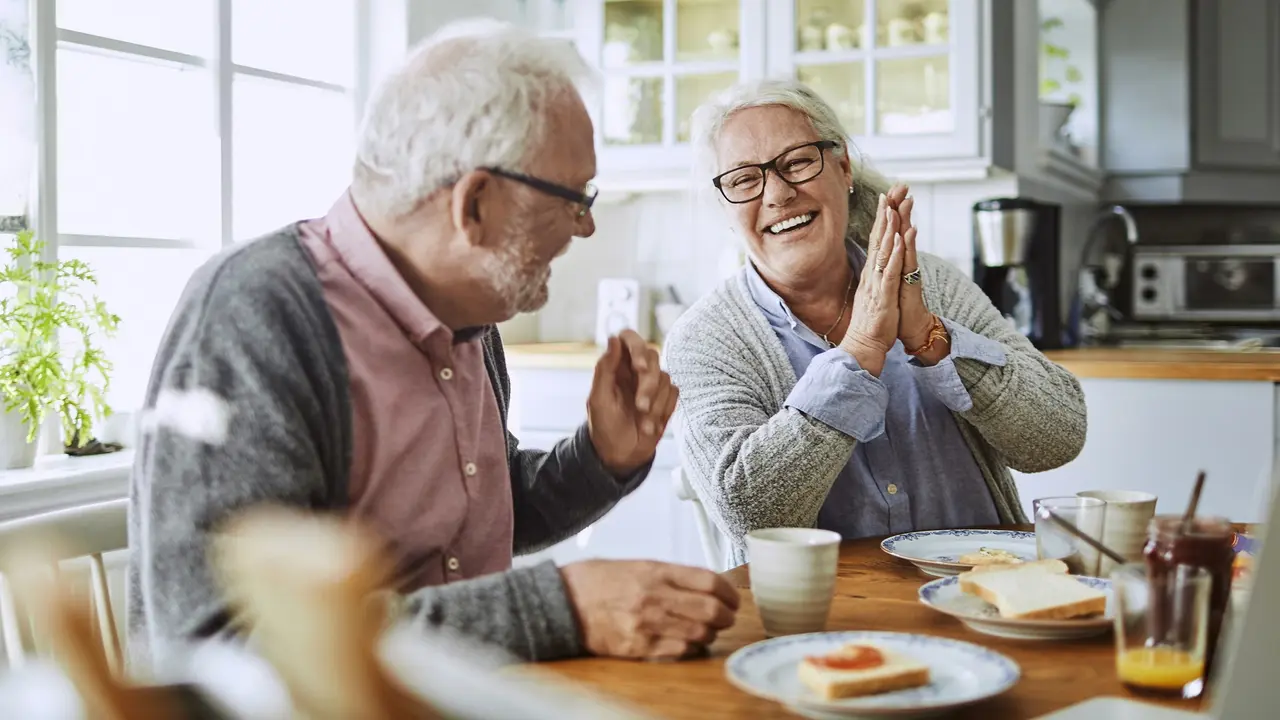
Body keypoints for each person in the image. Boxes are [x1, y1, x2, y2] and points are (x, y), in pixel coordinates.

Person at [127, 19, 738, 669]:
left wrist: (600, 459)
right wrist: (562, 608)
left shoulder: (467, 317)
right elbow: (220, 647)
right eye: (573, 198)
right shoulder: (254, 315)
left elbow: (478, 521)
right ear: (473, 205)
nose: (585, 227)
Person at [662, 79, 1087, 567]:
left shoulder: (932, 283)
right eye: (743, 180)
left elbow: (1058, 437)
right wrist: (859, 351)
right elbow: (751, 515)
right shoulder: (705, 340)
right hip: (821, 629)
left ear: (842, 165)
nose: (777, 194)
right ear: (726, 207)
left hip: (984, 594)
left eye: (797, 162)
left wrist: (934, 340)